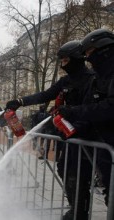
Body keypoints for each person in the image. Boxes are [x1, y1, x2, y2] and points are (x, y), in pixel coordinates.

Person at [6, 40, 94, 220]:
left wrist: (77, 126)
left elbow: (92, 109)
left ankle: (80, 212)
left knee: (79, 175)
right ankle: (75, 208)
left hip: (85, 135)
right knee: (64, 169)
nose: (62, 64)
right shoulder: (65, 81)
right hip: (68, 134)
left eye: (65, 60)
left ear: (76, 59)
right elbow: (45, 95)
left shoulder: (91, 79)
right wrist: (20, 101)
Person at [58, 29, 114, 209]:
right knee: (110, 193)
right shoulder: (98, 79)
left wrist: (74, 112)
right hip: (104, 146)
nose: (88, 59)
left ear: (104, 50)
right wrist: (75, 129)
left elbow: (109, 108)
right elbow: (91, 109)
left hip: (109, 145)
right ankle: (77, 211)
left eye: (90, 53)